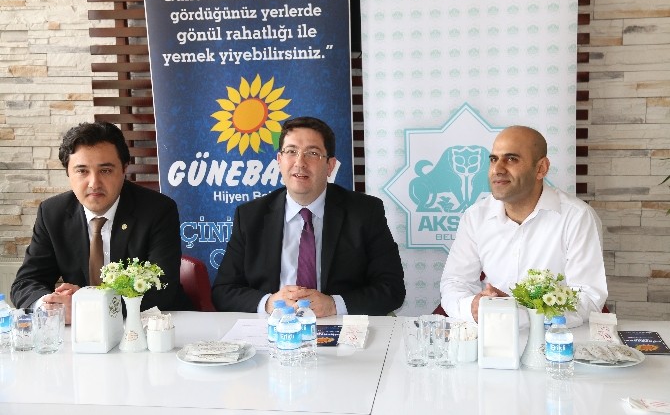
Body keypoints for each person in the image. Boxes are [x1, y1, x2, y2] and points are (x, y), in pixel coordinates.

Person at [211, 116, 405, 317]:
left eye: (312, 153)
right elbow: (223, 291)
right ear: (279, 160)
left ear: (330, 166)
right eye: (291, 151)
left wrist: (333, 305)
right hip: (274, 328)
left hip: (339, 326)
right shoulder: (250, 216)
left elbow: (392, 289)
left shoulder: (365, 212)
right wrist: (268, 303)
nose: (299, 162)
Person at [11, 122, 192, 323]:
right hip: (83, 333)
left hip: (150, 325)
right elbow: (26, 283)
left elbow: (162, 289)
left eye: (105, 170)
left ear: (124, 169)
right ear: (68, 172)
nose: (94, 183)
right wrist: (50, 305)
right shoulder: (52, 213)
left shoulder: (158, 210)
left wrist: (86, 306)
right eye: (82, 171)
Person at [440, 125, 607, 328]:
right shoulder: (475, 216)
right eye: (493, 159)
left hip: (556, 340)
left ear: (541, 168)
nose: (498, 169)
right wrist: (473, 307)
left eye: (511, 159)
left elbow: (588, 299)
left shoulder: (577, 217)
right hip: (491, 334)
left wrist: (518, 313)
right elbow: (455, 283)